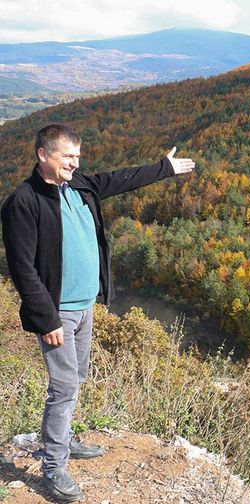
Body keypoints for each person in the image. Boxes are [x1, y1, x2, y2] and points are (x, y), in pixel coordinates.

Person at [1, 124, 195, 502]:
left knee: (78, 377)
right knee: (65, 386)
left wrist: (163, 168)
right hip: (57, 313)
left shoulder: (78, 185)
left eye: (77, 156)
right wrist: (46, 318)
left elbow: (118, 179)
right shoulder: (23, 202)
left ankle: (62, 439)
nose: (75, 163)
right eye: (67, 157)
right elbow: (22, 269)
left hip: (85, 304)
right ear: (43, 154)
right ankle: (54, 466)